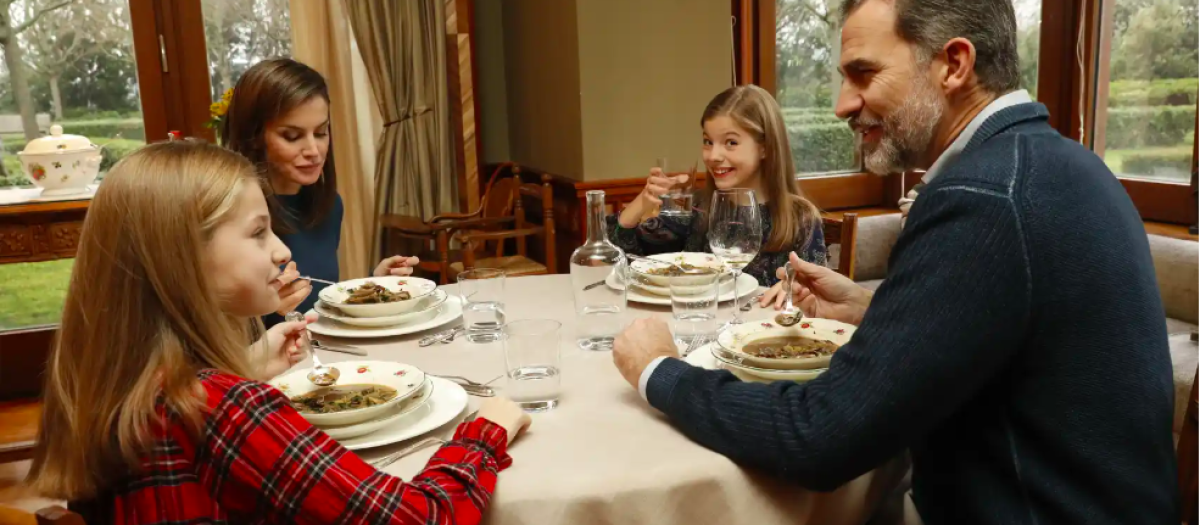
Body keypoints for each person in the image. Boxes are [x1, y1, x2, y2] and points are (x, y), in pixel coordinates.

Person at [611, 0, 1178, 523]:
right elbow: (1012, 331)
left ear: (954, 65)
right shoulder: (1058, 163)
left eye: (863, 74)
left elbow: (820, 439)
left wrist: (659, 370)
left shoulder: (981, 197)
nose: (841, 106)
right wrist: (877, 307)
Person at [25, 141, 532, 525]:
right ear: (178, 259)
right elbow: (419, 515)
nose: (282, 252)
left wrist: (242, 368)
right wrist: (485, 432)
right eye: (256, 232)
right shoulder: (222, 409)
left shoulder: (113, 381)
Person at [221, 58, 418, 325]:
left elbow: (319, 302)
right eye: (292, 136)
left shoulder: (329, 207)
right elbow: (213, 341)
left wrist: (373, 285)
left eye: (322, 132)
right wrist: (265, 311)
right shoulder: (227, 216)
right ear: (254, 137)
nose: (314, 151)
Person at [606, 85, 827, 287]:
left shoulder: (801, 219)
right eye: (708, 142)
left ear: (765, 147)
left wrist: (795, 290)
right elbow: (620, 257)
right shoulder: (698, 208)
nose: (713, 156)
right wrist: (643, 201)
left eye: (731, 143)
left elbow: (815, 297)